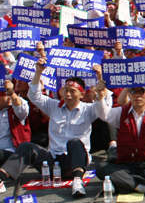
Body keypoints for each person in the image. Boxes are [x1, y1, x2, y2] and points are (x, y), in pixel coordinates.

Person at [0, 61, 103, 197]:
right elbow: (34, 96)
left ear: (82, 94)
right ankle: (1, 178)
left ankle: (77, 181)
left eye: (73, 92)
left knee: (75, 142)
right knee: (27, 147)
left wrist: (100, 78)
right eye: (66, 90)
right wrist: (38, 72)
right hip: (52, 163)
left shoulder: (89, 109)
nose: (68, 95)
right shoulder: (54, 106)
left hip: (74, 163)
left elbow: (104, 107)